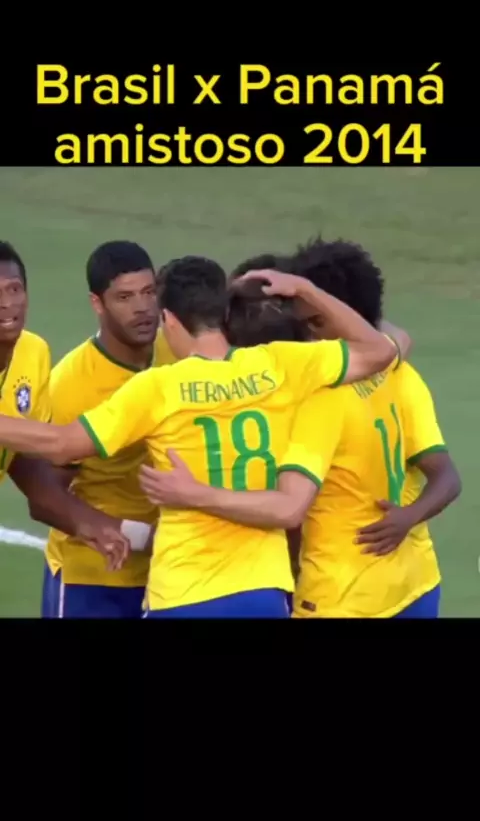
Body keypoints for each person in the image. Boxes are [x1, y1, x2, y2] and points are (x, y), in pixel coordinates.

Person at [0, 255, 401, 619]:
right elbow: (378, 350)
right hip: (264, 591)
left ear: (169, 319)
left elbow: (62, 444)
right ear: (223, 312)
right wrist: (305, 290)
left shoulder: (158, 387)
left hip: (185, 591)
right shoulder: (279, 365)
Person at [141, 243, 461, 619]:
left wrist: (193, 495)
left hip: (340, 597)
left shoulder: (313, 400)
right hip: (416, 583)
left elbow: (290, 512)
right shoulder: (398, 371)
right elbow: (391, 336)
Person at [41, 240, 176, 619]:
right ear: (97, 303)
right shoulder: (71, 384)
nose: (143, 308)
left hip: (168, 576)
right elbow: (45, 495)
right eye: (125, 297)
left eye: (149, 292)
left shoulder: (177, 351)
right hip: (94, 578)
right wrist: (139, 536)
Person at [0, 241, 135, 584]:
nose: (6, 303)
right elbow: (53, 445)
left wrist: (87, 522)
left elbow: (23, 460)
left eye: (14, 289)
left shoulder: (33, 352)